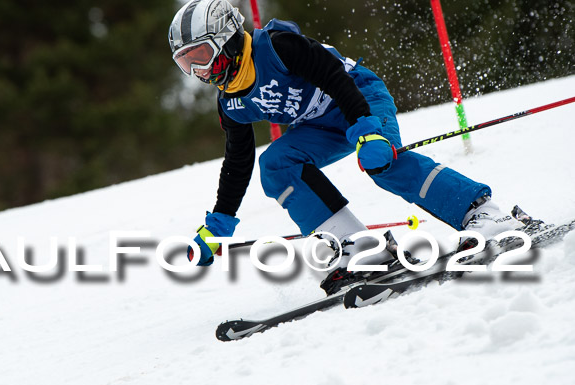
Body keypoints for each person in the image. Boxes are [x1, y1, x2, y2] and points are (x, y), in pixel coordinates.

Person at [169, 0, 522, 295]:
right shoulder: (230, 100)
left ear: (228, 37)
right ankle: (360, 250)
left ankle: (484, 213)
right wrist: (219, 223)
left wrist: (367, 129)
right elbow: (238, 160)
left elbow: (335, 78)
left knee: (380, 161)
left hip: (359, 98)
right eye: (187, 64)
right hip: (319, 124)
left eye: (201, 55)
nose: (200, 71)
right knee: (276, 163)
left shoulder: (277, 47)